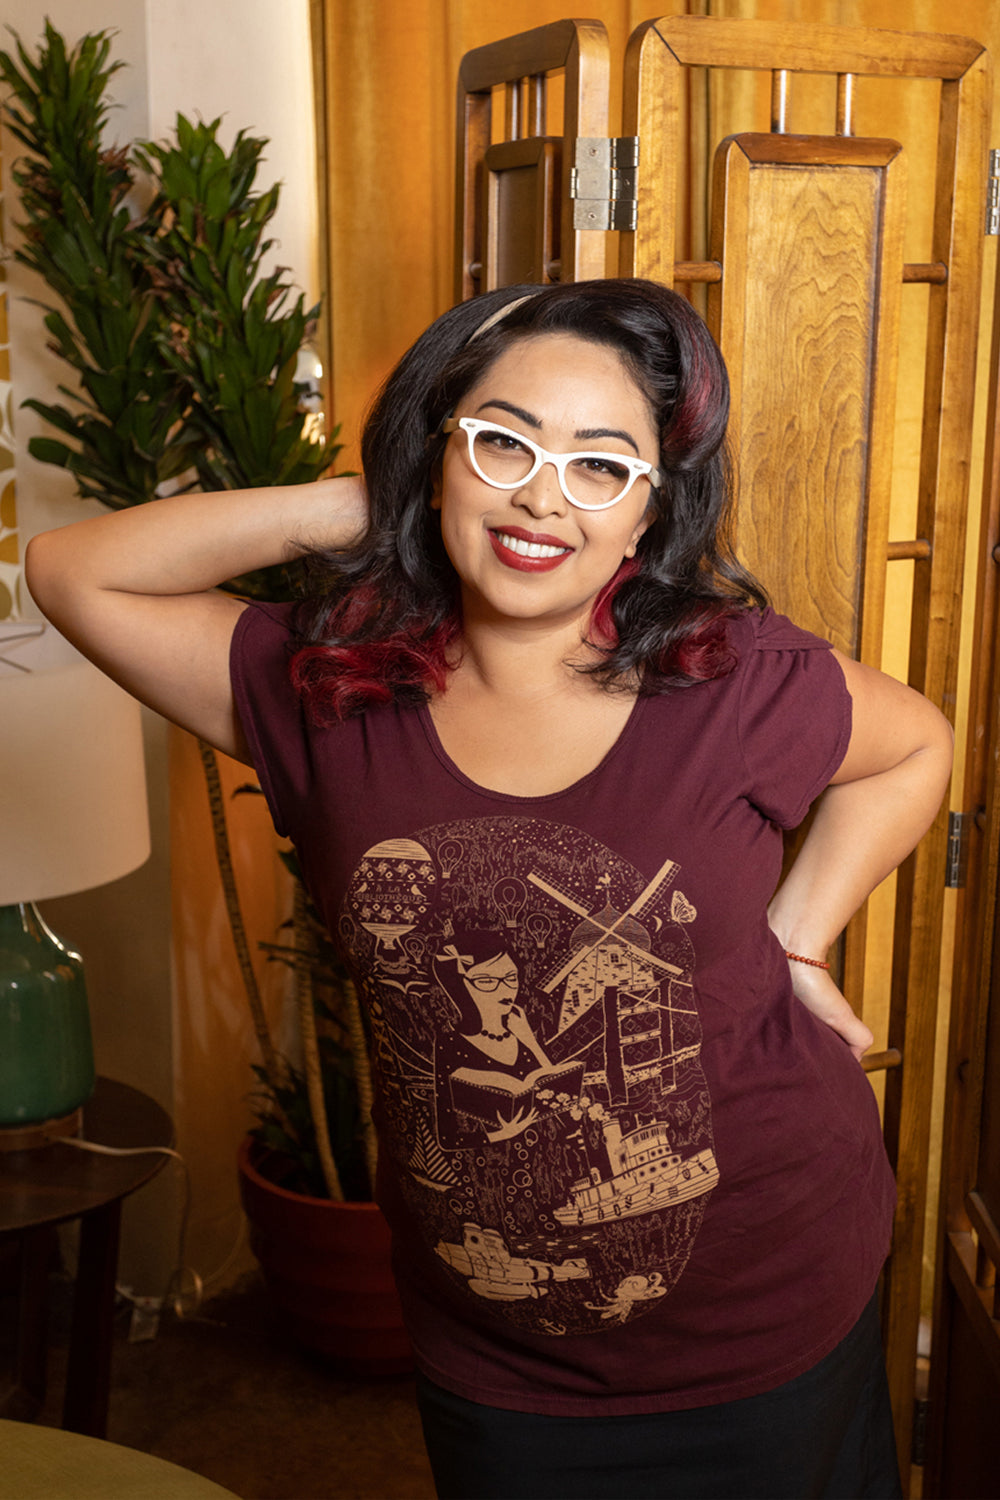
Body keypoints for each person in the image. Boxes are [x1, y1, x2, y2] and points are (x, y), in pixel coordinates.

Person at [26, 279, 952, 1499]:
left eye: (599, 466)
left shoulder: (737, 683)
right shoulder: (327, 692)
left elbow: (916, 745)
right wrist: (371, 496)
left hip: (770, 1305)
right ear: (439, 448)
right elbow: (69, 569)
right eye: (503, 440)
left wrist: (798, 937)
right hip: (497, 1349)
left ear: (648, 513)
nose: (539, 497)